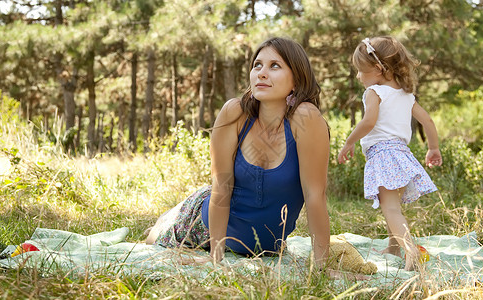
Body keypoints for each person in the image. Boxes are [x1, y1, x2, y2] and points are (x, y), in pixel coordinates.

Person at [145, 37, 331, 270]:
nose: (262, 73)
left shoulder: (306, 118)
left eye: (275, 66)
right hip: (204, 225)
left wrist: (322, 268)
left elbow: (316, 195)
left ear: (297, 78)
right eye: (257, 65)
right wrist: (215, 257)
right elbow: (221, 187)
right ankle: (165, 220)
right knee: (151, 241)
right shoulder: (235, 113)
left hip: (264, 246)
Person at [337, 36, 442, 271]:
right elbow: (427, 121)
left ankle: (410, 251)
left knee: (391, 208)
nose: (358, 76)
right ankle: (394, 247)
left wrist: (349, 142)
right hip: (402, 156)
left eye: (360, 71)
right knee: (393, 207)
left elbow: (369, 121)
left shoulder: (374, 92)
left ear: (377, 69)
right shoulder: (406, 95)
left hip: (384, 156)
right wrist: (433, 148)